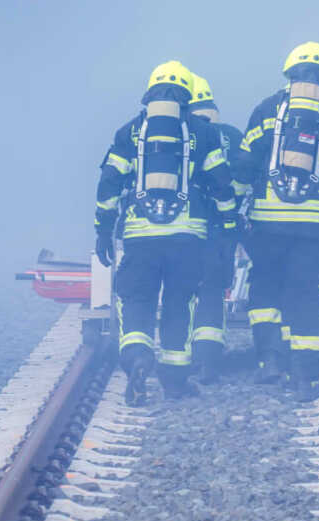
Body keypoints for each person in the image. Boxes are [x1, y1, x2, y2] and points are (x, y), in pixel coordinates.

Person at [94, 61, 238, 405]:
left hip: (140, 236)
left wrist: (103, 230)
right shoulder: (203, 133)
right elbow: (221, 183)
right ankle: (174, 381)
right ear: (186, 95)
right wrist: (230, 225)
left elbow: (109, 183)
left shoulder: (129, 132)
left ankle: (138, 357)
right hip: (188, 237)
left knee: (137, 299)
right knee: (179, 304)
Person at [236, 42, 319, 401]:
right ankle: (305, 377)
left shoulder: (268, 108)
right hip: (314, 223)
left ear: (289, 72)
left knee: (265, 284)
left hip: (267, 220)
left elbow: (245, 161)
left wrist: (232, 206)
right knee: (306, 292)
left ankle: (269, 360)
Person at [186, 72, 246, 384]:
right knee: (212, 290)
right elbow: (246, 176)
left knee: (180, 290)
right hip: (224, 228)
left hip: (184, 226)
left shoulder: (180, 135)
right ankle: (208, 359)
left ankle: (180, 358)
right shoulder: (233, 136)